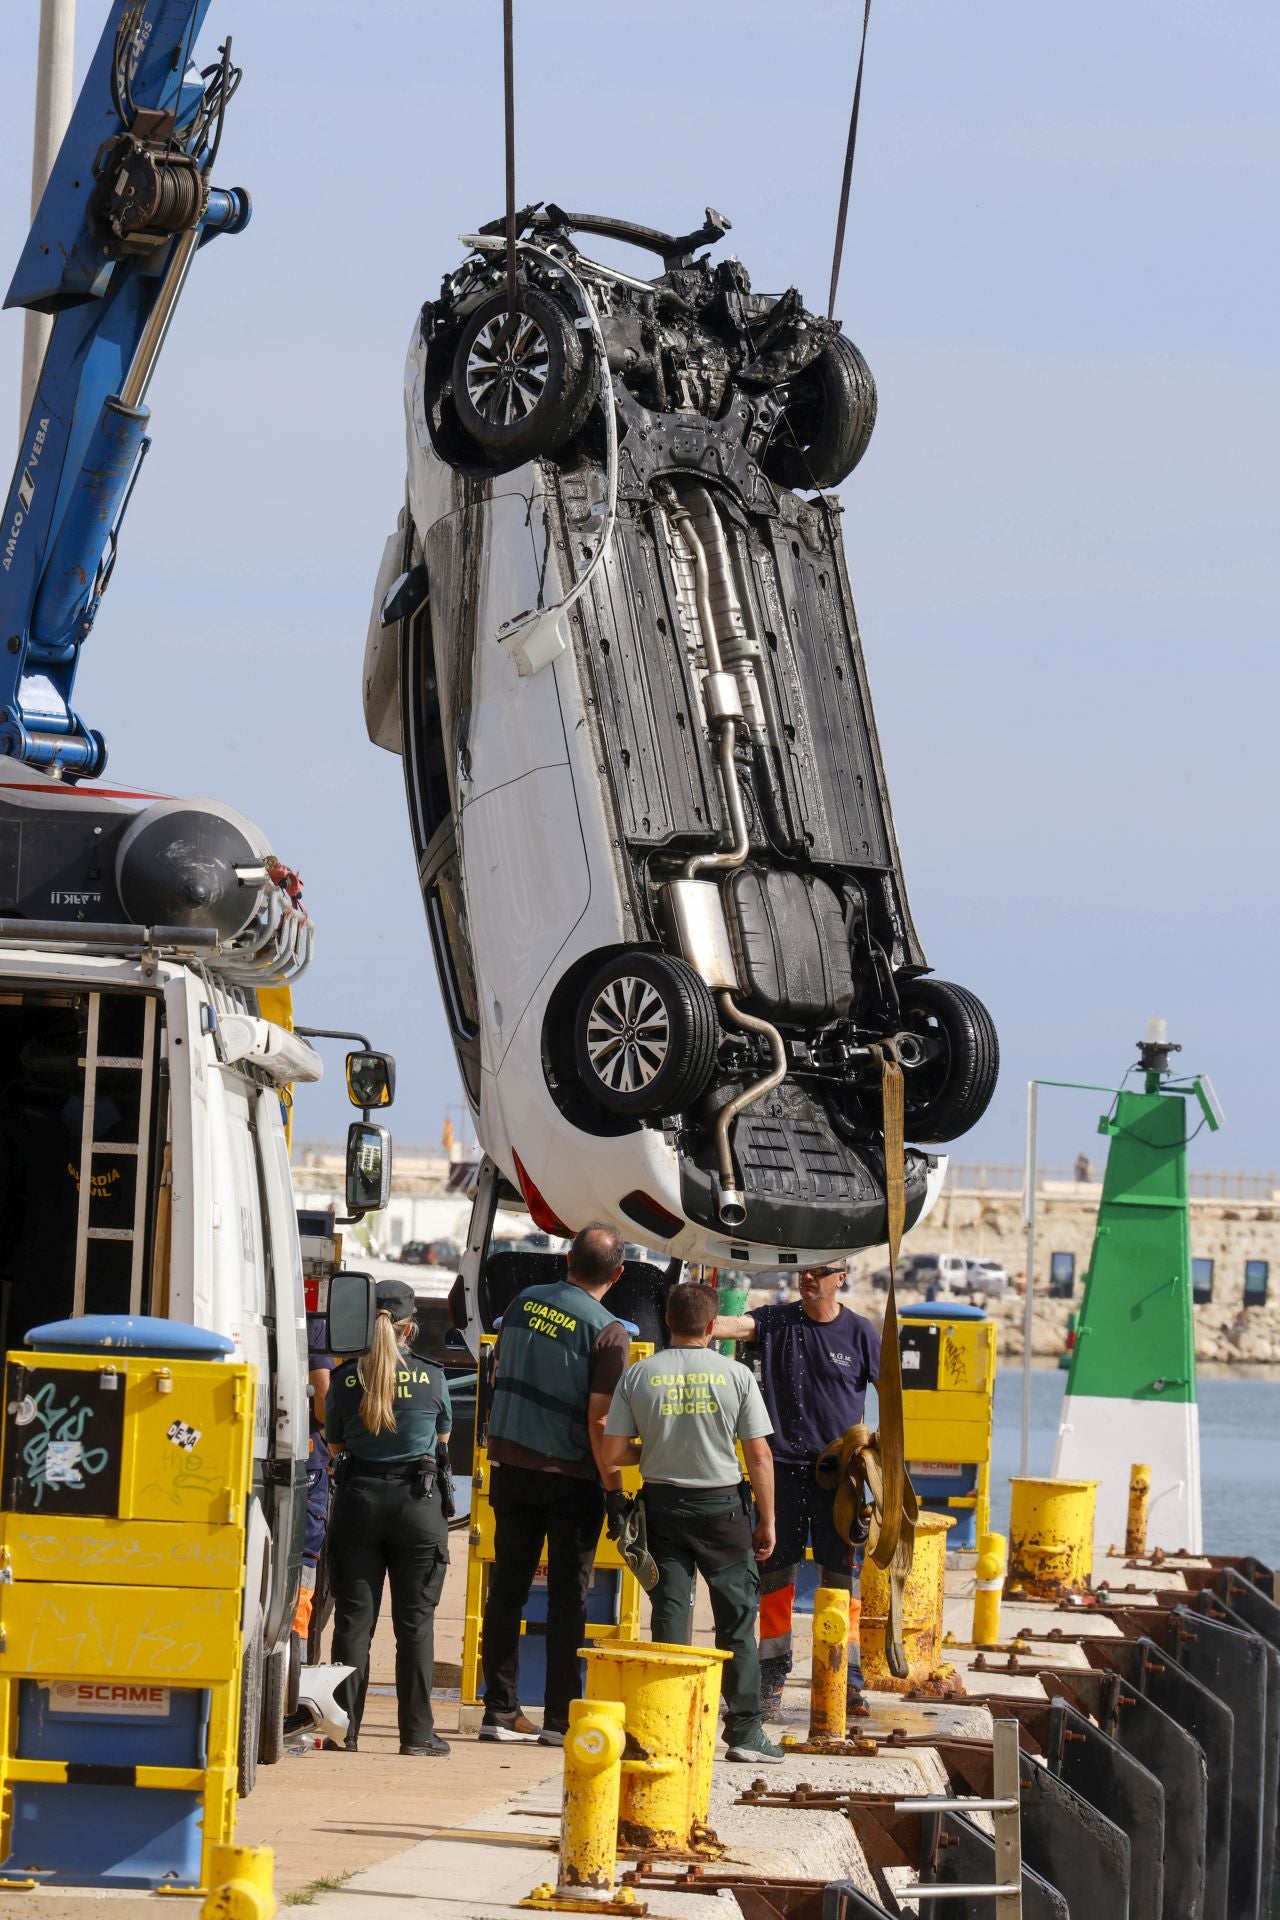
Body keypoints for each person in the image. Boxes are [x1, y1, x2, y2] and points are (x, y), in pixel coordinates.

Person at [601, 1281, 784, 1765]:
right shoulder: (735, 1376)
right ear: (710, 1327)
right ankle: (744, 1732)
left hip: (661, 1508)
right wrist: (767, 1520)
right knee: (737, 1620)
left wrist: (654, 1450)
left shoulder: (640, 1375)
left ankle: (665, 1726)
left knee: (669, 1613)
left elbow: (614, 1452)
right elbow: (759, 1455)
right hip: (722, 1512)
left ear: (667, 1321)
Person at [479, 1224, 631, 1745]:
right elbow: (600, 1420)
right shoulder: (610, 1331)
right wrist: (614, 1489)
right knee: (570, 1599)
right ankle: (560, 1719)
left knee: (507, 1591)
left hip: (511, 1469)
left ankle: (498, 1711)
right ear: (618, 1274)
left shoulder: (522, 1303)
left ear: (567, 1259)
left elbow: (499, 1371)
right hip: (571, 1479)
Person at [713, 1262, 880, 1718]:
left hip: (841, 1479)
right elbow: (730, 1325)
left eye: (821, 1271)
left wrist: (885, 1465)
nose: (809, 1277)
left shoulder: (862, 1333)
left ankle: (847, 1680)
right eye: (804, 1270)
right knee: (774, 1579)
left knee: (843, 1581)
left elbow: (897, 1405)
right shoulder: (777, 1321)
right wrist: (692, 1315)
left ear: (841, 1278)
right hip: (782, 1473)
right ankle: (770, 1679)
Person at [325, 1277, 452, 1756]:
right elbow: (441, 1444)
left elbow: (335, 1445)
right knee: (415, 1625)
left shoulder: (344, 1378)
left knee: (355, 1624)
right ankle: (417, 1736)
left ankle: (343, 1732)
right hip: (416, 1507)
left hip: (357, 1503)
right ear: (409, 1327)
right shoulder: (432, 1375)